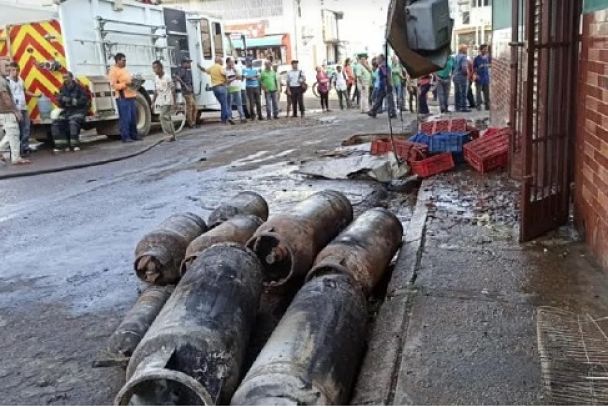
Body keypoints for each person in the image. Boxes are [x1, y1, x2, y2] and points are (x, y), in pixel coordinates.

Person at [51, 72, 89, 152]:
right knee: (56, 122)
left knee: (73, 122)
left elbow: (84, 101)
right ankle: (62, 146)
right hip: (67, 111)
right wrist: (60, 100)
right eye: (63, 77)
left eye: (66, 77)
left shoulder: (79, 88)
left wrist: (71, 101)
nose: (65, 79)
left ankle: (74, 145)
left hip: (79, 110)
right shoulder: (62, 88)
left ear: (71, 78)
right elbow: (61, 104)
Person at [7, 62, 38, 156]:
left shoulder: (20, 79)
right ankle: (17, 150)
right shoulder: (7, 81)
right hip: (15, 109)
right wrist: (13, 110)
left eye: (16, 70)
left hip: (23, 107)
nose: (15, 72)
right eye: (12, 70)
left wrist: (35, 95)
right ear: (9, 71)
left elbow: (25, 91)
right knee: (18, 130)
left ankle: (25, 147)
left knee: (26, 128)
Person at [108, 53, 140, 142]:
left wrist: (134, 82)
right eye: (123, 60)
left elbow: (128, 81)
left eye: (125, 60)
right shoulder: (113, 71)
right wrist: (125, 84)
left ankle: (134, 135)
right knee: (126, 118)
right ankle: (126, 137)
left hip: (131, 96)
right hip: (123, 97)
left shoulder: (124, 69)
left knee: (133, 117)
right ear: (118, 61)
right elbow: (113, 85)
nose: (125, 62)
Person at [0, 74, 30, 165]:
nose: (8, 69)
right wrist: (15, 110)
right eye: (5, 66)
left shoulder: (5, 80)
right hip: (7, 112)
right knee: (13, 134)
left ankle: (16, 157)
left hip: (4, 112)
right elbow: (5, 97)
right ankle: (16, 158)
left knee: (11, 135)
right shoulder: (1, 81)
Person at [198, 56, 232, 125]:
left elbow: (205, 70)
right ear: (219, 61)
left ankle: (226, 118)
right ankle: (225, 119)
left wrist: (199, 67)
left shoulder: (212, 67)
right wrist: (227, 80)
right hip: (221, 87)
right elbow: (225, 74)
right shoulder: (220, 67)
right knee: (224, 104)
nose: (222, 62)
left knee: (222, 104)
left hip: (215, 88)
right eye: (221, 60)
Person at [152, 60, 176, 142]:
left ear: (160, 68)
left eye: (156, 68)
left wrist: (174, 103)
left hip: (168, 100)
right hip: (161, 100)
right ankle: (173, 135)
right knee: (167, 117)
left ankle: (168, 134)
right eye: (153, 68)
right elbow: (156, 90)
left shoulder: (167, 77)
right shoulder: (156, 78)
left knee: (162, 116)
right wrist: (153, 101)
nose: (154, 70)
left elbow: (173, 89)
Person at [368, 54, 396, 119]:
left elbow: (387, 75)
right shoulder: (384, 66)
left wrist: (388, 84)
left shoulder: (383, 66)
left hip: (384, 85)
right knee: (381, 99)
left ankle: (374, 111)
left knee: (385, 99)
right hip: (384, 84)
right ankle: (374, 111)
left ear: (381, 59)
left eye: (378, 59)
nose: (377, 60)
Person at [174, 56, 197, 128]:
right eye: (188, 62)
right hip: (186, 93)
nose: (189, 64)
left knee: (194, 108)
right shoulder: (182, 71)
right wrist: (185, 86)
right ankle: (191, 123)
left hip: (189, 92)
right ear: (183, 63)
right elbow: (177, 77)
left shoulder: (186, 71)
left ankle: (193, 122)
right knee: (190, 108)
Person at [225, 57, 247, 123]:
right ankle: (230, 117)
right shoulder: (225, 70)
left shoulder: (236, 68)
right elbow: (226, 81)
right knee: (229, 104)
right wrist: (234, 78)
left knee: (239, 103)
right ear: (227, 63)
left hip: (237, 88)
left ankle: (242, 117)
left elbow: (240, 78)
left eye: (233, 62)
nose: (233, 63)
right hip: (229, 88)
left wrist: (234, 71)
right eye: (231, 62)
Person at [453, 45, 470, 112]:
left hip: (455, 76)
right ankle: (464, 107)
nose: (467, 50)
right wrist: (466, 74)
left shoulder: (456, 57)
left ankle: (457, 107)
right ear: (462, 50)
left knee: (457, 92)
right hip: (462, 77)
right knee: (463, 92)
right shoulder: (463, 57)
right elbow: (464, 68)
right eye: (466, 49)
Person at [473, 44, 491, 111]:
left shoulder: (489, 58)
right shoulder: (477, 58)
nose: (486, 50)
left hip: (486, 78)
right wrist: (475, 74)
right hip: (479, 78)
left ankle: (487, 106)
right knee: (478, 94)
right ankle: (478, 106)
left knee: (487, 94)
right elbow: (474, 68)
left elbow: (492, 65)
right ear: (481, 50)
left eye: (486, 49)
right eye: (484, 49)